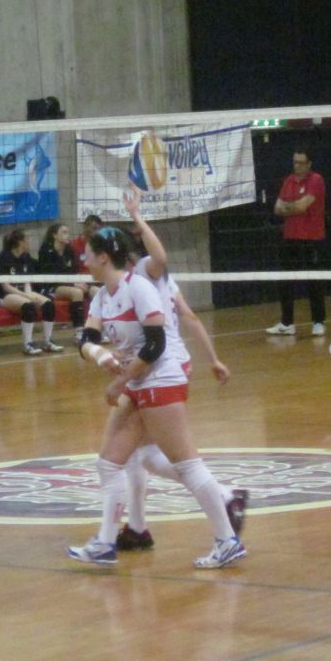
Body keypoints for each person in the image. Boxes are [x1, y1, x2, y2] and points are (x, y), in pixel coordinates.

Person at [67, 225, 246, 569]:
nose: (83, 260)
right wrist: (101, 355)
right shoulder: (102, 297)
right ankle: (105, 543)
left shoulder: (140, 288)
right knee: (109, 463)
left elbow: (155, 344)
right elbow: (86, 339)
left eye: (87, 254)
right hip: (137, 383)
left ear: (103, 257)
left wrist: (120, 382)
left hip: (160, 379)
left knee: (186, 464)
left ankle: (227, 540)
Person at [115, 190, 246, 552]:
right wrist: (213, 359)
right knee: (138, 452)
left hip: (162, 364)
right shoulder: (127, 285)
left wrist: (137, 217)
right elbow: (189, 316)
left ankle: (224, 497)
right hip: (162, 363)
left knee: (153, 454)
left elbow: (160, 258)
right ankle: (137, 528)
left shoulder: (146, 271)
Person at [266, 149, 327, 337]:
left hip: (312, 239)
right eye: (294, 162)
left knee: (313, 281)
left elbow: (302, 206)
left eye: (300, 162)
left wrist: (290, 207)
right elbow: (277, 208)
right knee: (285, 281)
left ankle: (318, 322)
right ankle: (287, 323)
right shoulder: (289, 181)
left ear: (309, 164)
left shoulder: (316, 180)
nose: (296, 166)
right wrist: (294, 207)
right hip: (290, 237)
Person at [0, 229, 64, 356]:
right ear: (20, 242)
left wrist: (29, 294)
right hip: (5, 295)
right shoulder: (4, 257)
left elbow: (27, 281)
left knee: (48, 305)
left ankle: (47, 341)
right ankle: (27, 344)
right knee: (29, 306)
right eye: (27, 239)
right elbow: (5, 286)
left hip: (22, 293)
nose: (29, 241)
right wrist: (27, 297)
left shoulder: (25, 257)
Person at [37, 223, 87, 336]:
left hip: (68, 284)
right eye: (64, 232)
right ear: (54, 235)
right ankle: (79, 332)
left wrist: (79, 282)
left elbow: (74, 271)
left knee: (95, 290)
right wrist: (73, 284)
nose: (67, 235)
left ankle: (100, 330)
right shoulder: (46, 250)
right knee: (77, 292)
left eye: (68, 232)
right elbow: (50, 276)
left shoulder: (69, 250)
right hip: (50, 287)